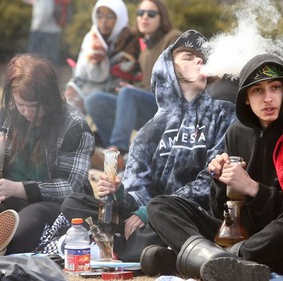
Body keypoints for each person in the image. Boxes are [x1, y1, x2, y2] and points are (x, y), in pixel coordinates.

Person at [142, 54, 283, 281]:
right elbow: (222, 215)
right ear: (246, 97)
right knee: (160, 205)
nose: (268, 98)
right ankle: (220, 263)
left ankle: (203, 262)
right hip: (243, 238)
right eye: (257, 90)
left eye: (275, 87)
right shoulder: (237, 133)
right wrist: (220, 180)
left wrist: (253, 189)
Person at [41, 30, 237, 262]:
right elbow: (137, 188)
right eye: (188, 56)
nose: (198, 61)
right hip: (144, 222)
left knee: (159, 215)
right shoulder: (150, 129)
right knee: (75, 202)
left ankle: (115, 245)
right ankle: (140, 248)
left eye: (202, 59)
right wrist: (119, 193)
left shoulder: (223, 114)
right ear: (168, 67)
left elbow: (210, 183)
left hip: (189, 217)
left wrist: (149, 212)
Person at [0, 54, 95, 255]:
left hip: (55, 206)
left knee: (21, 233)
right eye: (21, 105)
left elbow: (70, 187)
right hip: (8, 202)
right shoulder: (6, 116)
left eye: (35, 106)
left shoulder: (73, 125)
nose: (28, 113)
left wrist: (19, 188)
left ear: (50, 98)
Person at [86, 0, 182, 168]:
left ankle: (118, 149)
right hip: (150, 105)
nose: (144, 17)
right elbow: (146, 84)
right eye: (140, 13)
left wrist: (132, 91)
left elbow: (175, 83)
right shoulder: (145, 50)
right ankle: (115, 160)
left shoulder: (172, 38)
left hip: (170, 109)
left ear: (162, 17)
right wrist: (131, 88)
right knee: (94, 99)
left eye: (151, 14)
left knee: (127, 94)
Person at [64, 0, 140, 115]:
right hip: (89, 86)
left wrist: (106, 61)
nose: (104, 21)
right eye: (100, 16)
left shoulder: (130, 39)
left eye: (110, 16)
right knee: (69, 104)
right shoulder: (92, 38)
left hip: (118, 90)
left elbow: (129, 72)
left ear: (120, 17)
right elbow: (81, 73)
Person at [24, 0, 63, 66]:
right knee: (49, 62)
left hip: (43, 31)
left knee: (36, 62)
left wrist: (36, 25)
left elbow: (46, 10)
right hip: (50, 31)